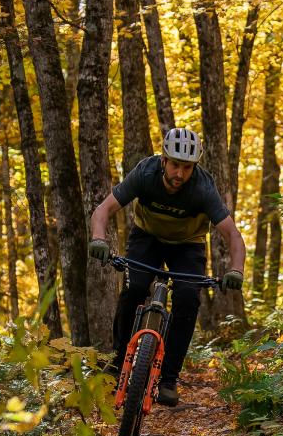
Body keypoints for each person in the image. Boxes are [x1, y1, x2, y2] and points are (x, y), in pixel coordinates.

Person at [88, 127, 246, 407]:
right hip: (147, 238)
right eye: (175, 165)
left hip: (188, 245)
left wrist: (236, 270)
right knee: (135, 289)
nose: (180, 174)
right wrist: (98, 239)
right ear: (163, 160)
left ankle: (169, 379)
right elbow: (103, 210)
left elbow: (233, 235)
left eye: (187, 167)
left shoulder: (202, 188)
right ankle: (117, 360)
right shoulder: (145, 174)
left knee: (187, 298)